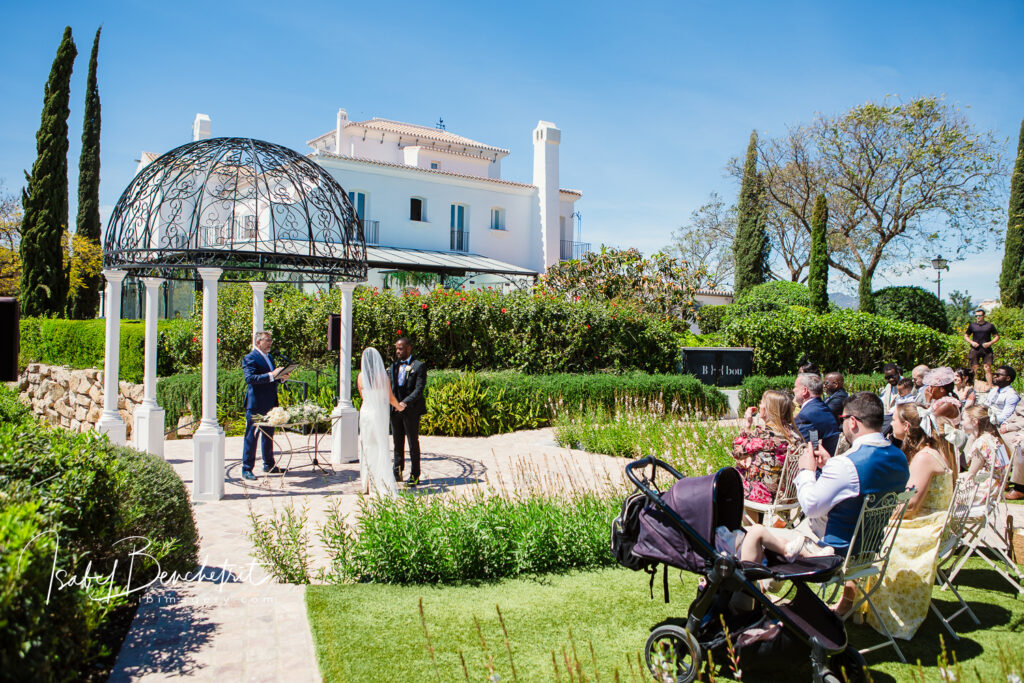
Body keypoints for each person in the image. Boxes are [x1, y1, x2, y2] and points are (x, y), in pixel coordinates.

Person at [739, 393, 911, 588]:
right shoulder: (899, 459)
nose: (843, 425)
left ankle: (752, 601)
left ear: (853, 422)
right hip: (870, 550)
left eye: (843, 419)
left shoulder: (848, 464)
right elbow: (857, 488)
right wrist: (828, 466)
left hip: (832, 553)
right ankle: (770, 587)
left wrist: (806, 471)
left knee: (751, 532)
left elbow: (811, 507)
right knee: (790, 534)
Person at [862, 403, 957, 639]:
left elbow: (912, 504)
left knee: (873, 533)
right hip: (935, 521)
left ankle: (875, 608)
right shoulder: (930, 450)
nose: (890, 424)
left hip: (928, 526)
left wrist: (887, 510)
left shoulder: (924, 457)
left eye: (893, 419)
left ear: (906, 426)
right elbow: (910, 494)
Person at [734, 390, 803, 505]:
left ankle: (750, 523)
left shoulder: (763, 434)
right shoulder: (793, 433)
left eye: (762, 402)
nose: (759, 406)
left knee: (728, 478)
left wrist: (747, 424)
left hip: (765, 494)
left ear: (768, 409)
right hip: (788, 494)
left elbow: (737, 452)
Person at [241, 331, 291, 481]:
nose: (270, 343)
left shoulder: (269, 357)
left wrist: (281, 378)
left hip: (270, 403)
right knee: (251, 436)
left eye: (270, 340)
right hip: (256, 404)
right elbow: (250, 378)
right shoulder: (250, 358)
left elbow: (272, 380)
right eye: (267, 340)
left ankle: (269, 464)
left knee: (268, 435)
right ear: (258, 342)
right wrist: (272, 375)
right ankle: (246, 468)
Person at [356, 348, 402, 496]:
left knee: (367, 446)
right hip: (378, 414)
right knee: (380, 446)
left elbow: (363, 396)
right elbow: (390, 397)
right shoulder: (383, 376)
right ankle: (381, 483)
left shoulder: (361, 377)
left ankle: (367, 484)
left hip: (366, 413)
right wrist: (399, 406)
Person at [389, 336, 427, 486]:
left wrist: (404, 403)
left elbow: (419, 389)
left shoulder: (418, 366)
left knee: (412, 443)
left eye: (401, 348)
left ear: (408, 348)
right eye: (397, 348)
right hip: (395, 411)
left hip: (411, 410)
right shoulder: (393, 366)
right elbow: (391, 386)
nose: (398, 351)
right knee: (397, 443)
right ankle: (397, 473)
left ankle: (415, 475)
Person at [961, 405, 1009, 502]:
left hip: (982, 491)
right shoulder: (995, 439)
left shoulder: (981, 443)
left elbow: (971, 474)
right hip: (996, 488)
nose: (961, 423)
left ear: (975, 421)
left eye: (963, 419)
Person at [793, 373, 841, 456]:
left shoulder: (805, 416)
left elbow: (799, 449)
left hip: (818, 465)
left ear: (805, 391)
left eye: (795, 387)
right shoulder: (822, 407)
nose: (793, 390)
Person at [965, 308, 1000, 388]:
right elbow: (966, 336)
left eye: (979, 315)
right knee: (974, 368)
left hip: (986, 350)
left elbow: (997, 337)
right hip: (975, 349)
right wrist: (972, 342)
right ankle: (971, 387)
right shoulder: (972, 325)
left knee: (987, 368)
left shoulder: (990, 326)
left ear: (984, 316)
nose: (977, 317)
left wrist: (990, 343)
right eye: (976, 316)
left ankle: (990, 387)